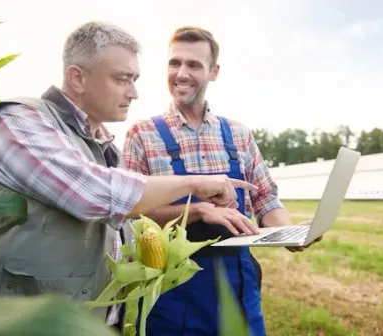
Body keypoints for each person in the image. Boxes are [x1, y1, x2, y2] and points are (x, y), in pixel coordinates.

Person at [0, 21, 257, 332]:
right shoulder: (19, 122)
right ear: (78, 77)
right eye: (123, 79)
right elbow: (93, 194)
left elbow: (123, 231)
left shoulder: (106, 148)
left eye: (134, 79)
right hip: (15, 323)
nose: (134, 92)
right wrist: (195, 184)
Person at [123, 26, 322, 335]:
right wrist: (198, 211)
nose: (181, 73)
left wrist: (289, 234)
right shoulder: (143, 135)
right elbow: (132, 212)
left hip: (239, 286)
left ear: (213, 72)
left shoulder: (238, 135)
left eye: (194, 65)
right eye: (174, 63)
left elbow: (266, 199)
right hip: (172, 292)